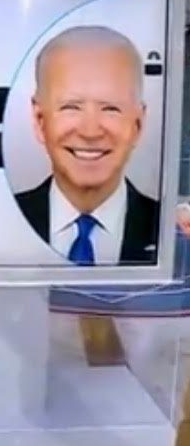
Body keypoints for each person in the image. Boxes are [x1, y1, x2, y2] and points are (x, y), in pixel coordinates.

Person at [15, 25, 158, 266]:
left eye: (110, 108)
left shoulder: (170, 230)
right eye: (71, 107)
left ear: (137, 125)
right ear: (40, 121)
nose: (90, 132)